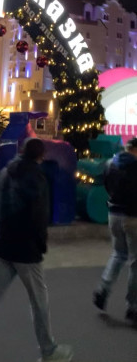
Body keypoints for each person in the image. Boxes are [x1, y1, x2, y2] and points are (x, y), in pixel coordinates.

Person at [0, 137, 73, 362]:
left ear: (21, 151)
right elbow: (40, 217)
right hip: (27, 250)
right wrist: (41, 244)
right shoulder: (38, 178)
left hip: (3, 244)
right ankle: (49, 351)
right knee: (39, 301)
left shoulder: (5, 173)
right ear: (41, 156)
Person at [93, 137, 137, 322]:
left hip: (113, 214)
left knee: (118, 254)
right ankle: (132, 306)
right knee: (135, 262)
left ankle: (103, 289)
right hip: (132, 216)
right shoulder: (135, 166)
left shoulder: (111, 163)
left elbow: (106, 185)